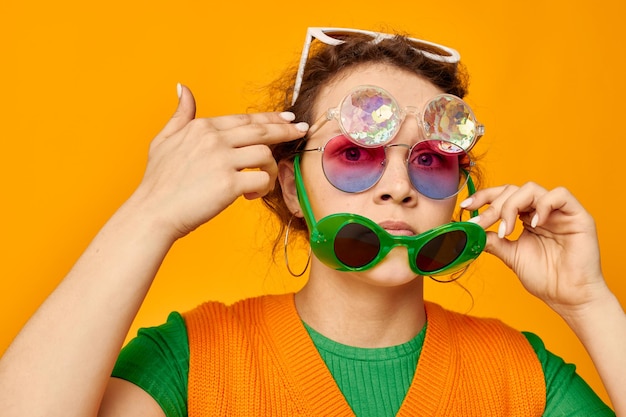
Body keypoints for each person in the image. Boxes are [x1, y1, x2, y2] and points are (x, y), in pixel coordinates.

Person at [0, 26, 623, 416]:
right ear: (291, 188)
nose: (400, 188)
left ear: (460, 190)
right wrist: (150, 212)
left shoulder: (520, 378)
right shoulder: (193, 362)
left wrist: (588, 302)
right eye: (356, 154)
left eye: (432, 160)